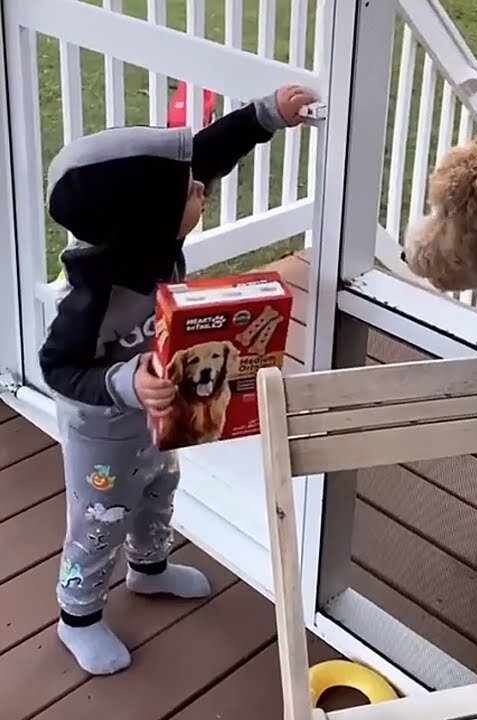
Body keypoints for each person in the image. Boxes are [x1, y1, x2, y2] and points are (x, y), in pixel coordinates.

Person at [39, 83, 317, 674]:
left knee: (161, 490)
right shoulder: (92, 297)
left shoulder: (149, 236)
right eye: (189, 193)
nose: (202, 190)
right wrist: (123, 383)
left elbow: (205, 154)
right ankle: (78, 613)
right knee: (100, 520)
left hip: (160, 418)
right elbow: (57, 368)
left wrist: (268, 114)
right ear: (147, 220)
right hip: (104, 436)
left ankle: (149, 568)